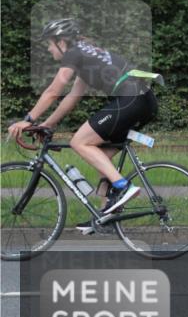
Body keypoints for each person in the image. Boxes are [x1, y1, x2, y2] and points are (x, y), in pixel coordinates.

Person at [6, 18, 159, 233]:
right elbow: (72, 96)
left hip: (130, 100)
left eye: (50, 44)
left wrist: (28, 119)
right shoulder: (86, 55)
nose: (49, 49)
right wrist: (47, 124)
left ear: (61, 41)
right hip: (143, 101)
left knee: (79, 142)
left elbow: (53, 91)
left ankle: (124, 187)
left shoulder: (74, 53)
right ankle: (106, 216)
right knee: (101, 156)